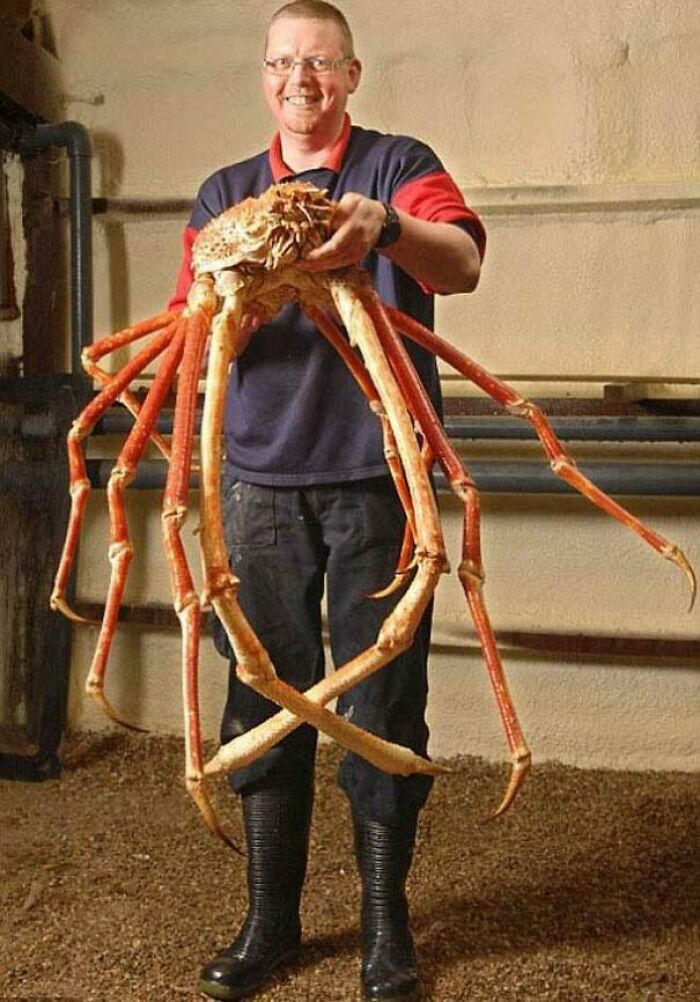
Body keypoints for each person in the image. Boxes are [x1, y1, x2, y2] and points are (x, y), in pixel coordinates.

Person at [169, 3, 485, 999]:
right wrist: (236, 299)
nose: (298, 79)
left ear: (350, 74)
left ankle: (386, 927)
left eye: (317, 62)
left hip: (376, 476)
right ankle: (269, 921)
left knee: (383, 698)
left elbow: (463, 262)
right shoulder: (226, 193)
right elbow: (185, 333)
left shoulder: (396, 167)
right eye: (281, 63)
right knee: (257, 688)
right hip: (257, 481)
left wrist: (382, 230)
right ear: (265, 76)